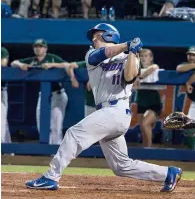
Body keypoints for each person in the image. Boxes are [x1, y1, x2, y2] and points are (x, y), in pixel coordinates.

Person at [25, 24, 182, 192]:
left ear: (109, 36)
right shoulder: (91, 54)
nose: (94, 39)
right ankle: (167, 173)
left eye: (98, 36)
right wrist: (127, 46)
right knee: (121, 166)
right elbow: (102, 54)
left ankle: (51, 176)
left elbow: (129, 77)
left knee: (74, 133)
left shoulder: (130, 57)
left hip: (117, 110)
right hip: (107, 113)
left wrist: (132, 53)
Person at [11, 39, 69, 144]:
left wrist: (52, 65)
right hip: (43, 95)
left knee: (56, 126)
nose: (38, 48)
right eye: (36, 46)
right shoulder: (32, 60)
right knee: (41, 123)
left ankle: (57, 151)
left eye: (41, 46)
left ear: (45, 49)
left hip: (58, 94)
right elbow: (13, 63)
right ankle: (48, 149)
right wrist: (21, 65)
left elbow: (66, 65)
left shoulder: (51, 58)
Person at [134, 49, 162, 147]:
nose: (144, 58)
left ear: (151, 58)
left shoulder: (154, 67)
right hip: (141, 102)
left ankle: (149, 149)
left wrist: (139, 78)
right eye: (142, 56)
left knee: (145, 123)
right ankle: (144, 149)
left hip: (154, 103)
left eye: (146, 56)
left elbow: (153, 68)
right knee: (142, 127)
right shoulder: (135, 69)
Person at [176, 46, 195, 120]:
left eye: (194, 55)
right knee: (189, 127)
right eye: (189, 55)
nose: (191, 57)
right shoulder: (186, 64)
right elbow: (179, 68)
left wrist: (188, 83)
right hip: (194, 101)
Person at [1, 47, 12, 143]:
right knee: (3, 119)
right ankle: (8, 147)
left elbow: (3, 63)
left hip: (1, 91)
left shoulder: (2, 50)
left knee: (1, 118)